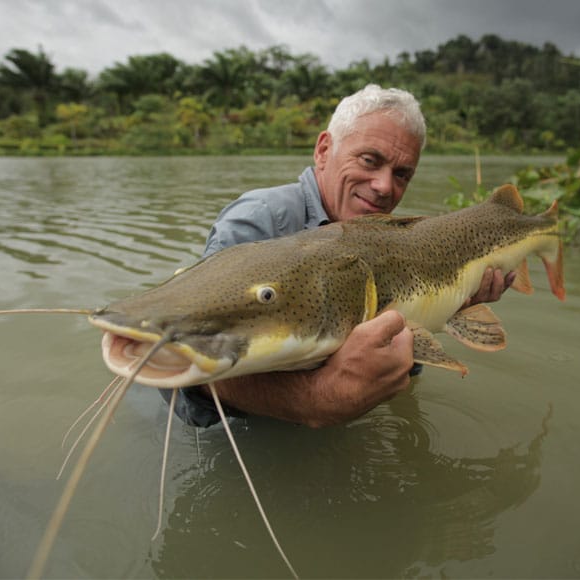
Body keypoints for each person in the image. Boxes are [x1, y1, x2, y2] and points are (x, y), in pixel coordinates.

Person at [166, 84, 514, 428]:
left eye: (401, 174)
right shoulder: (257, 221)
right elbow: (190, 362)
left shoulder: (387, 234)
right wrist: (315, 399)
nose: (384, 186)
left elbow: (405, 356)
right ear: (323, 150)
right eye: (369, 160)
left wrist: (451, 308)